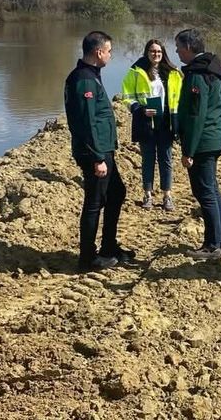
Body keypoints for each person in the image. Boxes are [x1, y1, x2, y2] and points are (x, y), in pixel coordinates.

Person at [64, 31, 134, 271]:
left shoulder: (91, 75)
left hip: (104, 150)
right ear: (98, 52)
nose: (111, 56)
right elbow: (86, 122)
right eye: (110, 51)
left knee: (116, 193)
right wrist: (96, 157)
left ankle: (108, 246)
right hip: (95, 153)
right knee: (95, 202)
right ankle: (87, 258)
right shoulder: (83, 79)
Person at [174, 28, 221, 260]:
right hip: (214, 137)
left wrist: (189, 150)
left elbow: (196, 115)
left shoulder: (198, 74)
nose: (176, 51)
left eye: (178, 46)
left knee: (205, 193)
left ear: (188, 48)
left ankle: (212, 245)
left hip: (204, 141)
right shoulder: (212, 68)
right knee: (212, 191)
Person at [121, 39, 183, 211]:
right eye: (152, 51)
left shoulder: (173, 73)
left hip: (166, 122)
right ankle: (147, 195)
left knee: (166, 159)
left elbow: (179, 97)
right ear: (146, 53)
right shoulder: (135, 72)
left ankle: (167, 196)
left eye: (159, 52)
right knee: (148, 159)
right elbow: (126, 95)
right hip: (145, 122)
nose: (156, 54)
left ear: (163, 54)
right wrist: (140, 109)